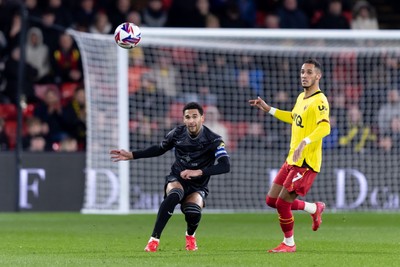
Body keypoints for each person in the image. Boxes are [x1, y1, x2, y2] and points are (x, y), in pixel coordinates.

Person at [110, 102, 230, 252]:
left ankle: (190, 236)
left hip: (198, 185)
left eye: (195, 117)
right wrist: (133, 155)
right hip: (177, 177)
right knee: (174, 195)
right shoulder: (177, 133)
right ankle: (154, 240)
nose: (191, 121)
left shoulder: (214, 140)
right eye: (188, 117)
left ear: (202, 118)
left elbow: (225, 166)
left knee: (193, 213)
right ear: (184, 119)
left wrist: (198, 172)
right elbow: (159, 149)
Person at [249, 58, 331, 253]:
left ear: (318, 76)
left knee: (282, 204)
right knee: (271, 201)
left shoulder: (320, 100)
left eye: (309, 72)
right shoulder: (301, 97)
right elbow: (294, 118)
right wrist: (269, 109)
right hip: (291, 160)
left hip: (306, 163)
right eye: (303, 72)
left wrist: (306, 141)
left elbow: (325, 126)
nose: (304, 75)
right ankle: (313, 208)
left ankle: (289, 244)